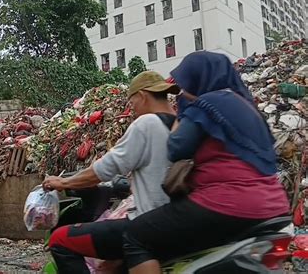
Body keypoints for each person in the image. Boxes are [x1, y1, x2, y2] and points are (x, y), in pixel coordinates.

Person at [122, 51, 290, 274]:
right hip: (273, 205)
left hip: (226, 202)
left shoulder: (207, 104)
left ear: (198, 77)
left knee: (135, 237)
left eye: (185, 82)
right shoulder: (248, 107)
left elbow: (175, 148)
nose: (182, 90)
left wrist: (182, 114)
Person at [42, 71, 180, 274]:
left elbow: (104, 169)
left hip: (146, 222)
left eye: (132, 103)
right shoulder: (179, 124)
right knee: (108, 266)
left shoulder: (146, 124)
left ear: (142, 96)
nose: (132, 110)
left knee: (60, 240)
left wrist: (62, 183)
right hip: (174, 220)